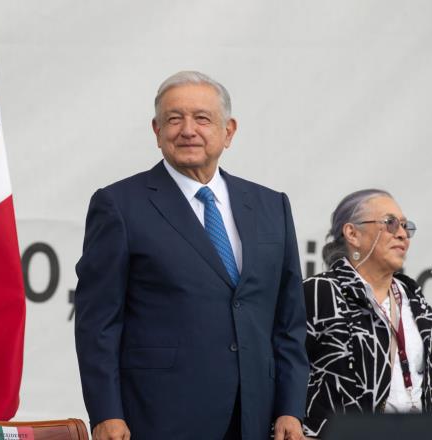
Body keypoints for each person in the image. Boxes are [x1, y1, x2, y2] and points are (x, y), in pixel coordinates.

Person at [74, 71, 308, 440]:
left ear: (228, 131)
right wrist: (106, 413)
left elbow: (289, 321)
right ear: (156, 130)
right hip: (159, 417)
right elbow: (98, 323)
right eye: (173, 119)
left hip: (255, 418)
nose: (187, 130)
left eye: (202, 118)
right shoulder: (119, 205)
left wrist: (291, 409)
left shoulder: (271, 206)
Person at [303, 189, 432, 437]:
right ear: (352, 233)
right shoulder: (320, 292)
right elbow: (281, 369)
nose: (403, 234)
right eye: (390, 223)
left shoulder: (414, 299)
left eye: (406, 226)